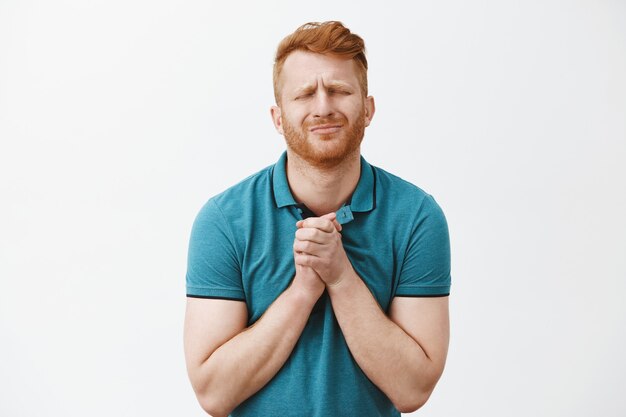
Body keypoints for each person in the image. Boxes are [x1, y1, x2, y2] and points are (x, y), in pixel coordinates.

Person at [184, 21, 451, 417]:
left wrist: (341, 276)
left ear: (368, 109)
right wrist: (302, 291)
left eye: (340, 90)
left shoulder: (416, 217)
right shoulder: (224, 220)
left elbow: (412, 389)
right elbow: (213, 393)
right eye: (305, 93)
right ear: (278, 117)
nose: (323, 106)